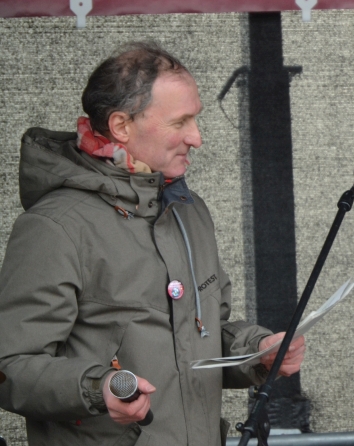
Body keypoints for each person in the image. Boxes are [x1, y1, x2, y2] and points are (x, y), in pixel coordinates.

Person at [0, 43, 305, 445]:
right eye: (180, 122)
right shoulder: (54, 227)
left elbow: (201, 337)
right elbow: (10, 365)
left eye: (195, 118)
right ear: (122, 126)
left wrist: (257, 351)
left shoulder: (189, 211)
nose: (196, 137)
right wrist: (99, 388)